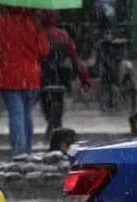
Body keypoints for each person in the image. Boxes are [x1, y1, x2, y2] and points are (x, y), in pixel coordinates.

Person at [0, 7, 50, 161]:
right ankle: (27, 150)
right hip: (31, 75)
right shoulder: (33, 23)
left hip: (8, 75)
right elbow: (44, 50)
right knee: (26, 113)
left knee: (16, 113)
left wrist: (1, 52)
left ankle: (19, 152)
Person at [37, 10, 91, 140]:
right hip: (61, 78)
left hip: (43, 78)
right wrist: (84, 79)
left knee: (47, 105)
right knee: (58, 104)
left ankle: (53, 128)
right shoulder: (63, 36)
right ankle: (56, 130)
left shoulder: (38, 35)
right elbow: (75, 59)